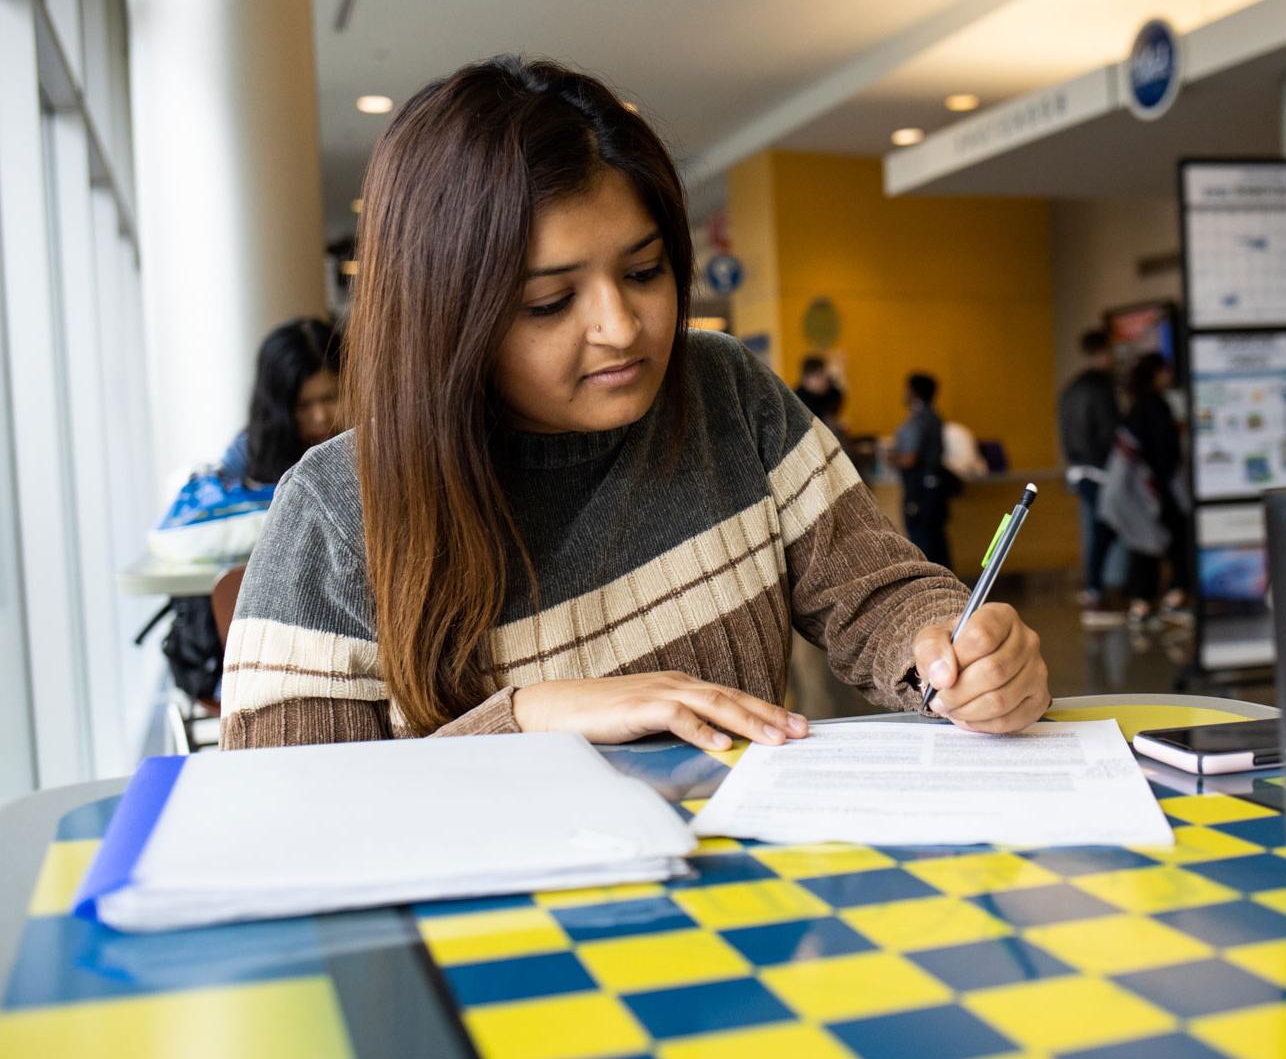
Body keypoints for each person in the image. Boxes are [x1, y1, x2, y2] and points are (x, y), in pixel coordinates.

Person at [221, 57, 1050, 751]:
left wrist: (955, 653)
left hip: (732, 918)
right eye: (549, 303)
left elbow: (874, 595)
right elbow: (287, 815)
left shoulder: (722, 391)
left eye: (646, 272)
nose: (622, 328)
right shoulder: (337, 516)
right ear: (447, 320)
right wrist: (529, 719)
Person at [220, 318, 343, 486]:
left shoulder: (372, 445)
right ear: (273, 408)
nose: (320, 417)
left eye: (330, 397)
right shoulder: (244, 460)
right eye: (303, 406)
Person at [1123, 352, 1190, 625]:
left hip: (1142, 488)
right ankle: (1176, 594)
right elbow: (1166, 453)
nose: (1169, 376)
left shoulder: (1136, 406)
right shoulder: (1157, 406)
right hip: (1160, 488)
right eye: (1165, 371)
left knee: (1144, 544)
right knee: (1177, 540)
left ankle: (1141, 602)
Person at [1058, 329, 1120, 618]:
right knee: (1103, 531)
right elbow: (1109, 432)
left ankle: (1094, 587)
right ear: (1103, 352)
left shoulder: (1071, 389)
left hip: (1079, 468)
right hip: (1101, 469)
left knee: (1096, 531)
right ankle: (1095, 589)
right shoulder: (1102, 389)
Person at [891, 373, 953, 570]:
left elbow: (910, 459)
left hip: (919, 492)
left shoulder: (918, 420)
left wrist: (888, 457)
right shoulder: (936, 417)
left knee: (923, 543)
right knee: (937, 541)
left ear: (914, 392)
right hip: (935, 490)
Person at [793, 355, 844, 425]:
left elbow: (832, 418)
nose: (823, 380)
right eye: (817, 376)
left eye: (823, 374)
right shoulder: (797, 398)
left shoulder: (833, 393)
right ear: (805, 380)